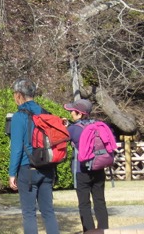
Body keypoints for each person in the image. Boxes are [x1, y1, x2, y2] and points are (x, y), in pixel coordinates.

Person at [8, 78, 60, 234]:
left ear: (19, 95)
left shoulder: (19, 116)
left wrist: (12, 173)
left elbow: (16, 148)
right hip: (47, 167)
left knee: (29, 213)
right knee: (48, 212)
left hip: (27, 168)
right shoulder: (46, 113)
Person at [64, 98, 109, 233]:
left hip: (81, 170)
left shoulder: (72, 130)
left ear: (79, 113)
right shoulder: (98, 125)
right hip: (99, 168)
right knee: (100, 202)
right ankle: (103, 230)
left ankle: (89, 231)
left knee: (84, 204)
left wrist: (67, 127)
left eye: (72, 111)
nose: (71, 113)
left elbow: (63, 139)